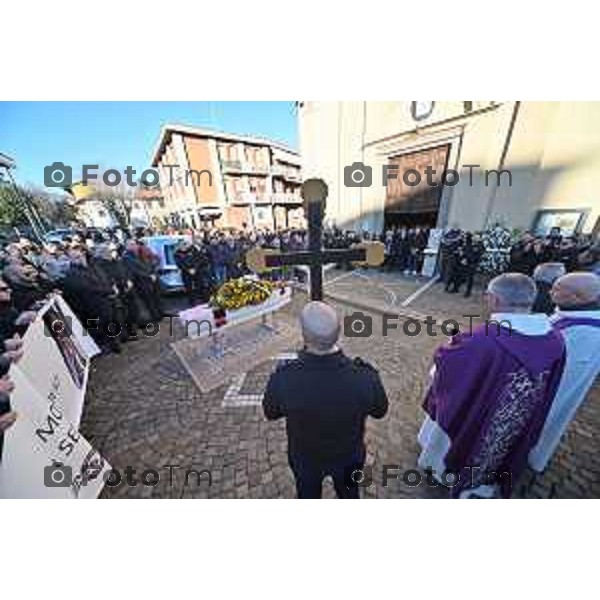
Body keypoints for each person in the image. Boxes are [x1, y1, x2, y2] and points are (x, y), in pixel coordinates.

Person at [418, 273, 566, 498]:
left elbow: (447, 369)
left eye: (487, 295)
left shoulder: (482, 339)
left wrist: (448, 348)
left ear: (494, 300)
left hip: (476, 417)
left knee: (467, 441)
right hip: (517, 422)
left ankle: (443, 472)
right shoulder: (553, 338)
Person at [263, 301, 388, 499]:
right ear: (339, 332)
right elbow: (380, 411)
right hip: (349, 456)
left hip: (305, 459)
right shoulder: (365, 377)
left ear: (303, 335)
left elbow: (270, 412)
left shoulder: (284, 378)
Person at [529, 272, 600, 472]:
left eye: (557, 289)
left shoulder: (588, 332)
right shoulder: (571, 312)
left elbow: (562, 374)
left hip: (550, 392)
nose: (550, 291)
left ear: (578, 298)